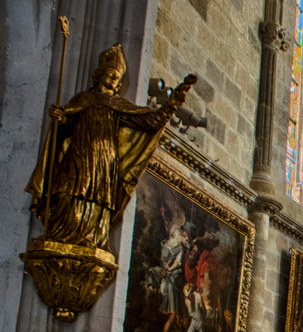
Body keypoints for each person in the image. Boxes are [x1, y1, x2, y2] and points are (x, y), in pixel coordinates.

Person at [25, 44, 188, 250]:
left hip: (104, 162)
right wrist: (60, 118)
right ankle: (61, 233)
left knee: (97, 200)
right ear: (99, 73)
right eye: (111, 74)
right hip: (79, 154)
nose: (114, 80)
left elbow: (151, 121)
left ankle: (90, 238)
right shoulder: (82, 99)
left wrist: (171, 104)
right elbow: (65, 129)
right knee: (69, 191)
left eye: (118, 78)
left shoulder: (117, 105)